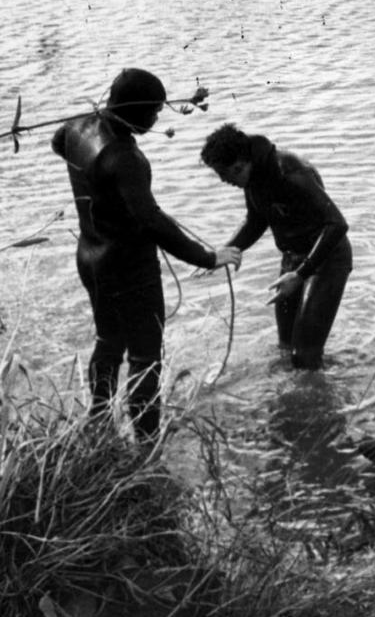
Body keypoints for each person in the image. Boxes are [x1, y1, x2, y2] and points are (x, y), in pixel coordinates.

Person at [51, 68, 241, 443]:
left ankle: (100, 421)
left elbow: (59, 146)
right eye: (153, 112)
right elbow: (150, 221)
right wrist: (207, 257)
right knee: (145, 356)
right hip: (128, 268)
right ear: (135, 109)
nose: (156, 119)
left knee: (108, 341)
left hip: (91, 256)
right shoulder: (124, 157)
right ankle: (147, 440)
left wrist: (109, 195)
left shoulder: (76, 127)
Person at [200, 123, 352, 370]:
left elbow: (336, 224)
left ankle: (315, 399)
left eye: (226, 176)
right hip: (293, 259)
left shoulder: (289, 171)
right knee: (285, 346)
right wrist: (220, 254)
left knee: (304, 354)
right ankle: (294, 389)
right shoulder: (252, 177)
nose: (225, 181)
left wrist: (302, 274)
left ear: (240, 164)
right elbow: (255, 221)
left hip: (327, 259)